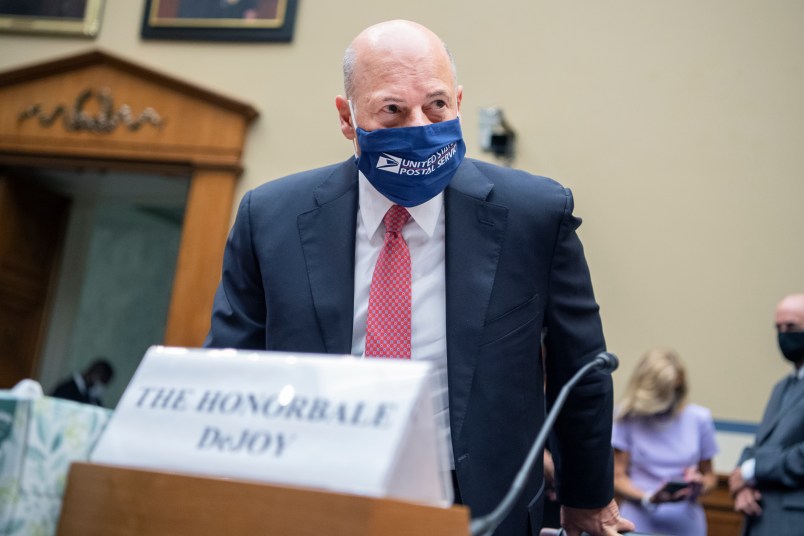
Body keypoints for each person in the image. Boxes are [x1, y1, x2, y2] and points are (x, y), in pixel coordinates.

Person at [205, 19, 633, 536]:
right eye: (391, 110)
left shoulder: (534, 216)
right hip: (314, 498)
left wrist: (588, 498)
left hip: (474, 505)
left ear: (457, 100)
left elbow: (581, 366)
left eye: (436, 106)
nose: (419, 126)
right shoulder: (270, 218)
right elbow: (230, 369)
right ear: (347, 118)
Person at [611, 348, 718, 536]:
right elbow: (617, 476)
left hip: (686, 525)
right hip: (638, 522)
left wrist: (700, 484)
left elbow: (710, 476)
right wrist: (648, 498)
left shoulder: (699, 419)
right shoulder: (627, 418)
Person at [728, 293, 804, 535]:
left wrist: (751, 471)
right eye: (778, 328)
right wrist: (742, 483)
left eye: (791, 327)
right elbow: (761, 444)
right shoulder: (782, 387)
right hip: (760, 517)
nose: (783, 335)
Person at [50, 358, 114, 407]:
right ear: (95, 375)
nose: (101, 388)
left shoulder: (92, 398)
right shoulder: (65, 390)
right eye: (102, 383)